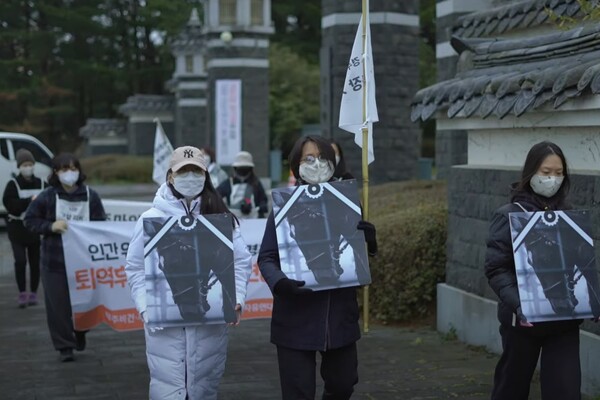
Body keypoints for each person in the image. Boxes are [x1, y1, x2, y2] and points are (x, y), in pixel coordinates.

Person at [125, 146, 252, 400]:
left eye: (196, 171)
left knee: (204, 389)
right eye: (184, 171)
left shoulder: (219, 218)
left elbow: (240, 261)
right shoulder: (150, 219)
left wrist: (235, 298)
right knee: (167, 390)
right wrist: (144, 306)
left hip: (210, 329)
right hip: (164, 331)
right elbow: (135, 267)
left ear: (206, 175)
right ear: (170, 176)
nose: (190, 176)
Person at [257, 135, 378, 400]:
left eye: (322, 158)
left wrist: (368, 243)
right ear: (295, 164)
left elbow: (355, 259)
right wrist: (280, 282)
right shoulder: (284, 207)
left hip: (339, 316)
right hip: (295, 315)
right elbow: (266, 257)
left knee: (344, 383)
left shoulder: (348, 203)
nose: (316, 164)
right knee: (298, 391)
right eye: (308, 159)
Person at [485, 141, 593, 400]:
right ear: (531, 172)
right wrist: (519, 304)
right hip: (521, 321)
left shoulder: (569, 217)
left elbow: (583, 262)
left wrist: (593, 299)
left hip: (563, 323)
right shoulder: (509, 215)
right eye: (546, 173)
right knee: (511, 387)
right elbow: (496, 268)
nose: (552, 179)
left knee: (565, 390)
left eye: (558, 173)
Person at [24, 153, 106, 362]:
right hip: (54, 263)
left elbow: (102, 224)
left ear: (79, 170)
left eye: (72, 168)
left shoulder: (91, 196)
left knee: (86, 303)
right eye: (63, 169)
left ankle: (80, 332)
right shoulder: (48, 196)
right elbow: (30, 220)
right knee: (58, 306)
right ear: (56, 173)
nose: (69, 173)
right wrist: (50, 226)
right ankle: (64, 347)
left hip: (85, 262)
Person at [2, 149, 46, 308]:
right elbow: (10, 205)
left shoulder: (41, 183)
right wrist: (29, 201)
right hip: (17, 228)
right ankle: (22, 293)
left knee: (35, 262)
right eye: (25, 165)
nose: (28, 167)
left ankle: (33, 293)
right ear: (19, 167)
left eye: (30, 164)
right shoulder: (12, 185)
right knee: (20, 260)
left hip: (35, 229)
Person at [217, 150, 268, 219]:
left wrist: (262, 206)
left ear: (250, 169)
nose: (243, 171)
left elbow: (263, 199)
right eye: (241, 168)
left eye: (245, 168)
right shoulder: (228, 183)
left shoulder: (256, 183)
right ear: (235, 168)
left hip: (254, 222)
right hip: (233, 221)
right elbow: (216, 197)